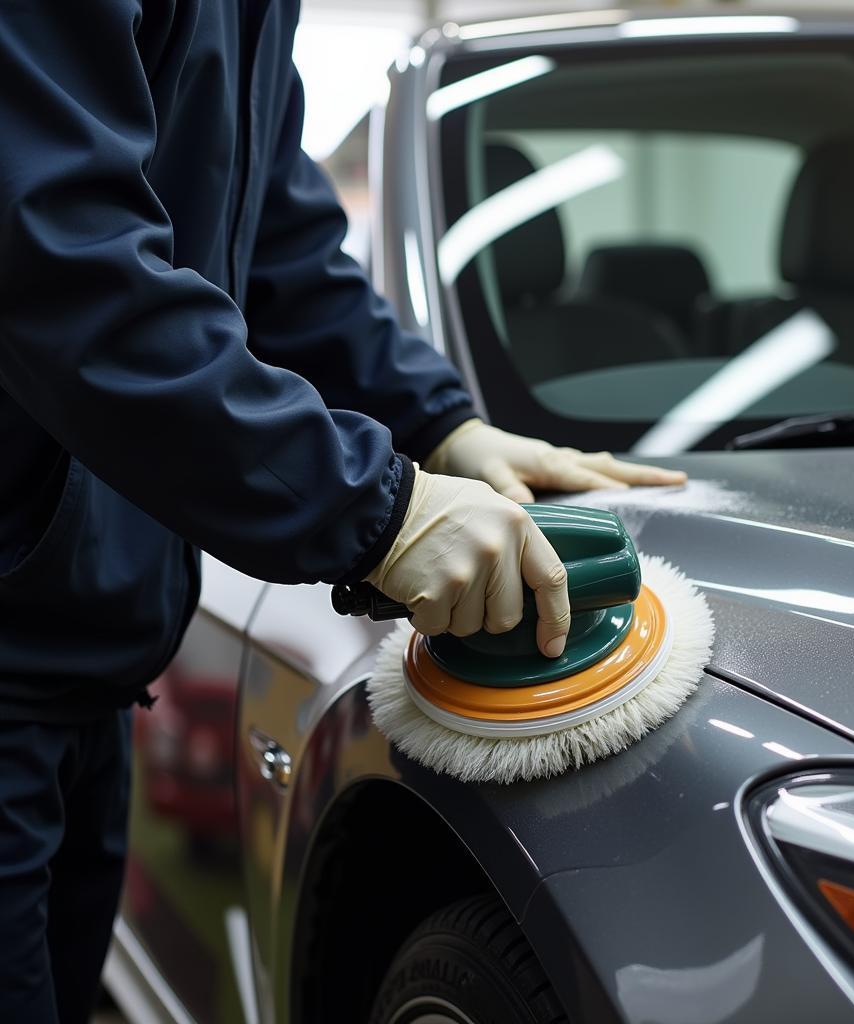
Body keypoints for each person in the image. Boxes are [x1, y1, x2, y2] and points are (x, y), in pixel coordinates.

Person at [0, 3, 685, 1021]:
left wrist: (442, 424)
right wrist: (386, 509)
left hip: (82, 669)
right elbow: (56, 256)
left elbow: (274, 246)